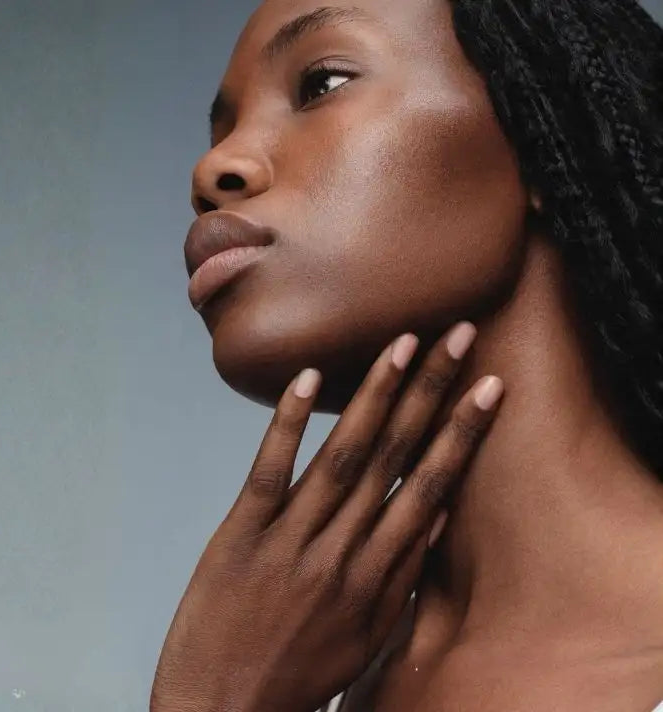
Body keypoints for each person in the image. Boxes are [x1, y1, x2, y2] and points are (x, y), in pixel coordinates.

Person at [152, 0, 663, 710]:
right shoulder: (317, 668)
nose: (213, 168)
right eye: (222, 129)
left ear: (539, 133)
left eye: (320, 85)